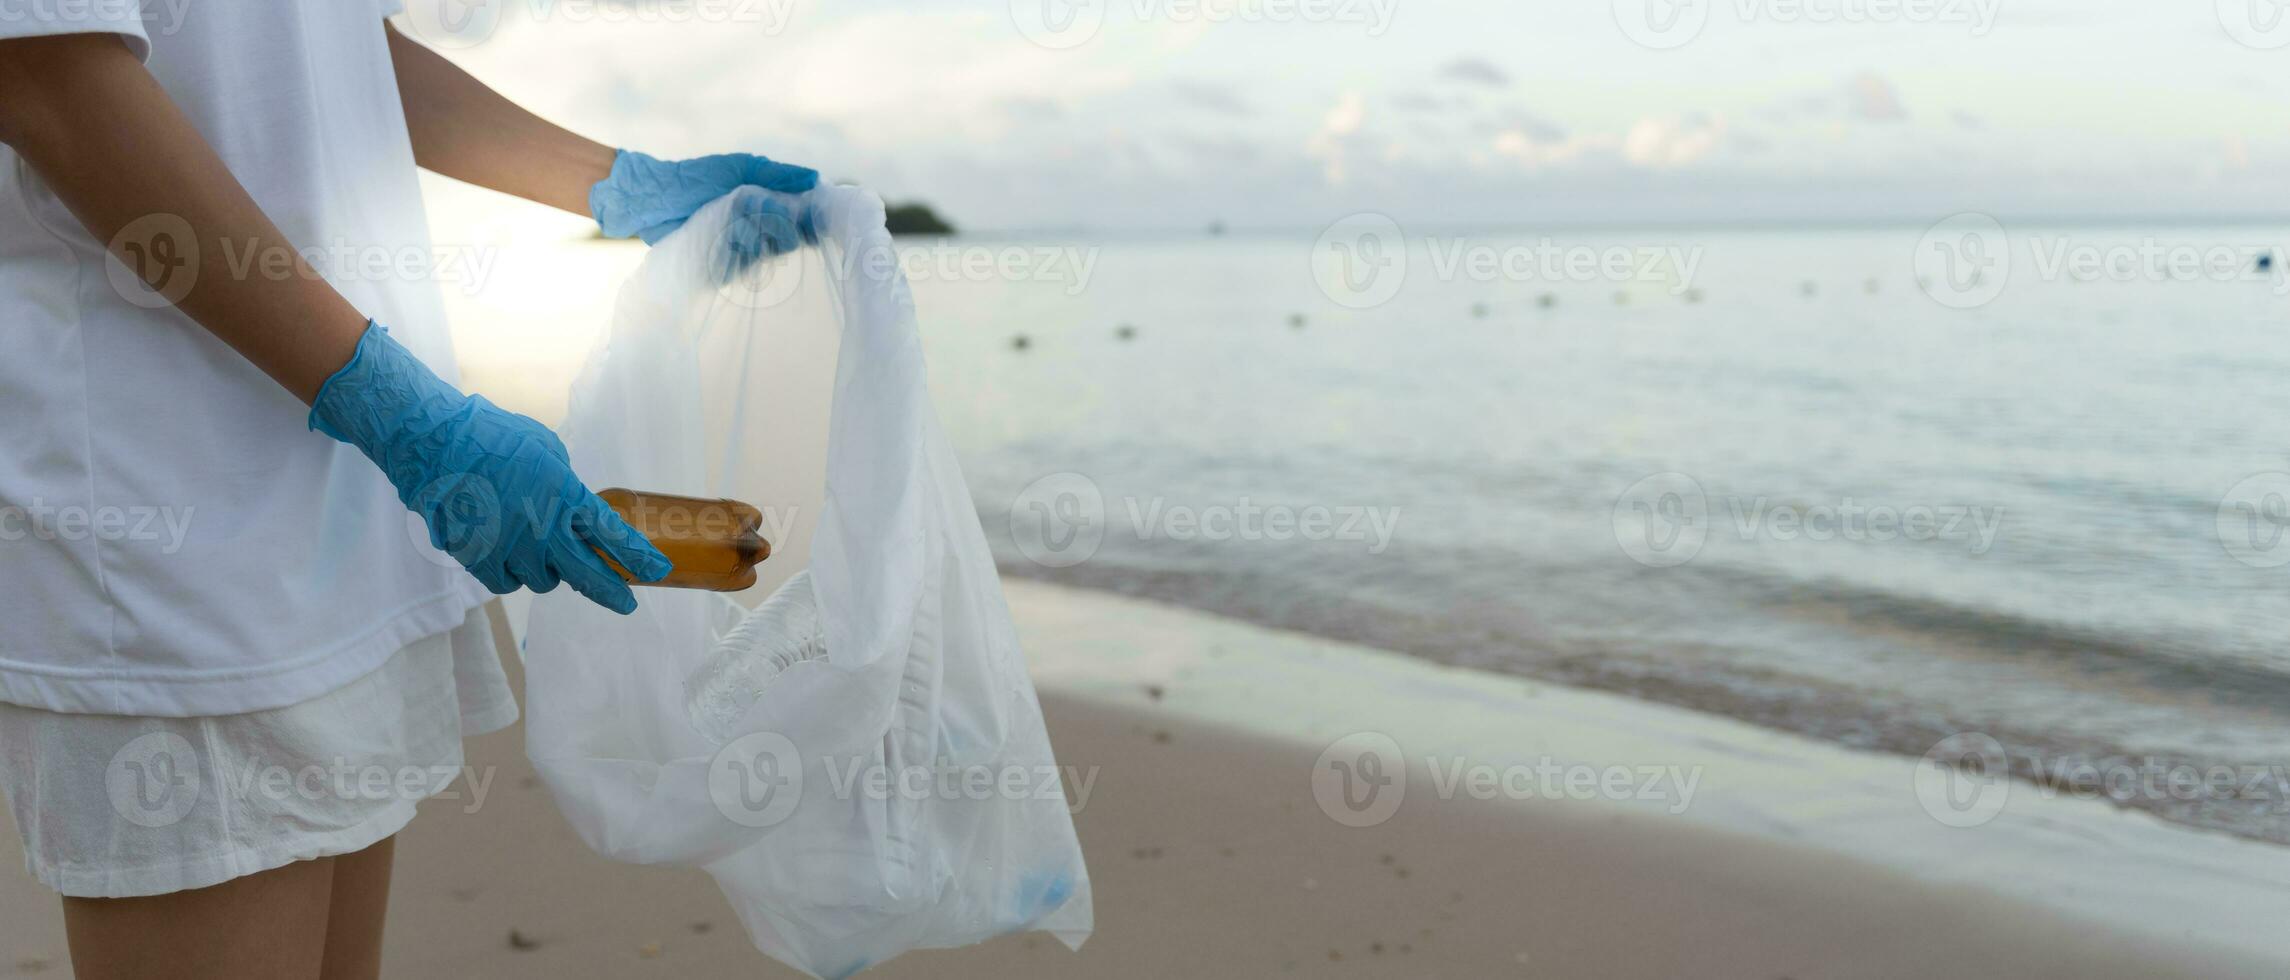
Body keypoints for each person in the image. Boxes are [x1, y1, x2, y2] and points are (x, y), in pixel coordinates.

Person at [0, 5, 817, 978]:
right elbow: (47, 75)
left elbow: (331, 49)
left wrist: (607, 181)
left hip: (349, 504)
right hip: (174, 515)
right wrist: (399, 411)